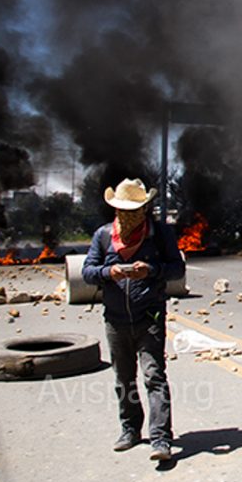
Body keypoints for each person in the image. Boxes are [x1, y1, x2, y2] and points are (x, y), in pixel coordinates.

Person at [82, 178, 186, 460]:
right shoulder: (103, 236)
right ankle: (129, 429)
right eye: (123, 211)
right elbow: (88, 271)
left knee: (154, 376)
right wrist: (108, 273)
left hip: (149, 316)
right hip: (115, 319)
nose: (128, 216)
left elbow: (176, 269)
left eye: (134, 211)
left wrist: (151, 270)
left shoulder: (159, 234)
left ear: (144, 209)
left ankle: (160, 438)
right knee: (124, 378)